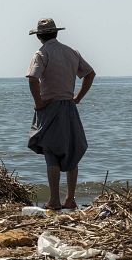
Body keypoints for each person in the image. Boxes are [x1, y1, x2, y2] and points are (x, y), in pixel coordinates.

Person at [25, 18, 95, 210]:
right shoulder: (72, 52)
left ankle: (54, 199)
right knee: (72, 152)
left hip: (50, 107)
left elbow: (32, 79)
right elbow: (90, 74)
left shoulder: (41, 53)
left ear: (39, 36)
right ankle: (70, 199)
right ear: (56, 33)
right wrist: (77, 97)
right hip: (69, 107)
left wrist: (39, 103)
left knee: (51, 153)